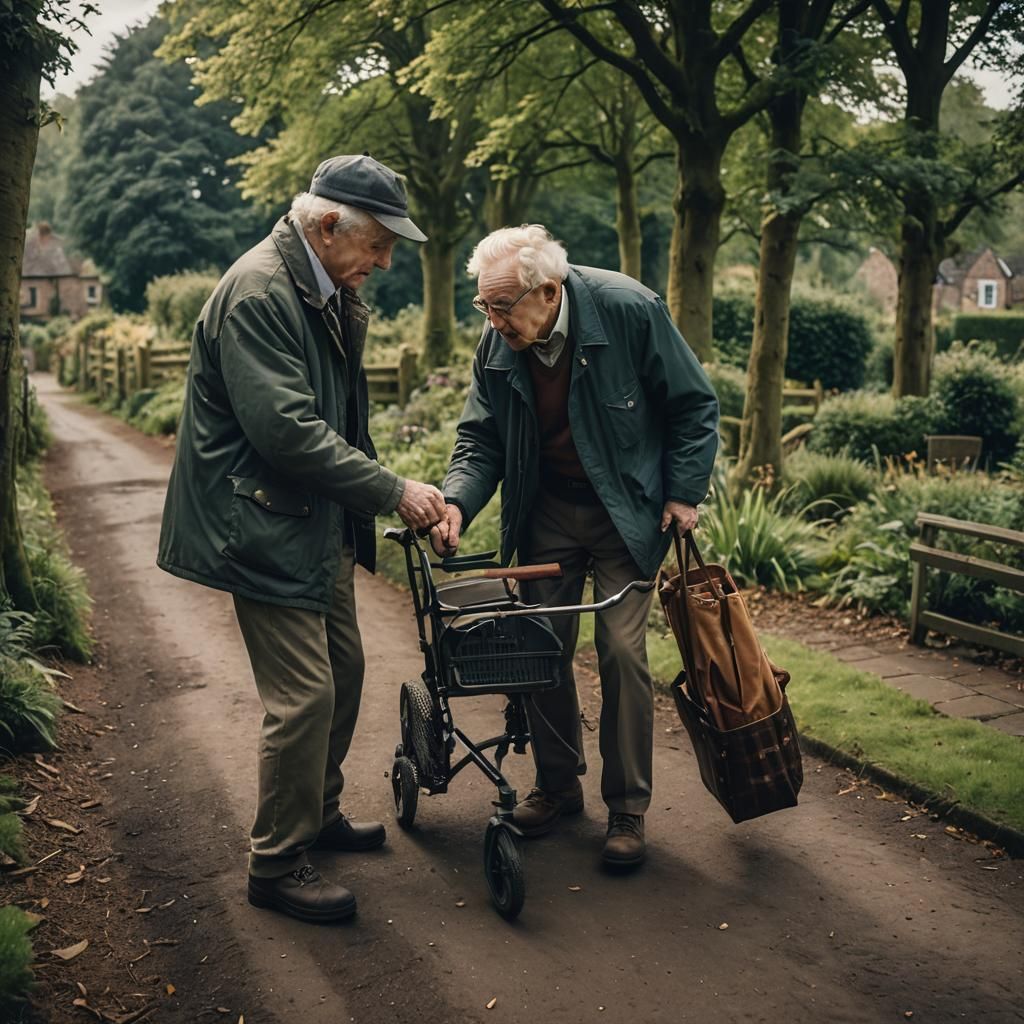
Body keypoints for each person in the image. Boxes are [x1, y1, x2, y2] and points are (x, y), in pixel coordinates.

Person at [157, 155, 446, 923]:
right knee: (304, 697)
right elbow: (287, 431)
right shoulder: (259, 291)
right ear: (326, 226)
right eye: (379, 246)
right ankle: (276, 864)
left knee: (345, 670)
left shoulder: (319, 287)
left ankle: (315, 812)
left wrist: (386, 492)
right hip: (259, 523)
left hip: (309, 521)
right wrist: (394, 491)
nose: (384, 263)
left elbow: (341, 420)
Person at [432, 225, 718, 867]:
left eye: (502, 307)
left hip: (625, 512)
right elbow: (481, 439)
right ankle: (558, 786)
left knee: (620, 649)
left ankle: (627, 808)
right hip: (548, 514)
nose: (492, 320)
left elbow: (694, 406)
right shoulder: (499, 339)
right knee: (541, 648)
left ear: (550, 291)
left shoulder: (629, 309)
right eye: (483, 305)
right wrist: (456, 503)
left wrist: (683, 493)